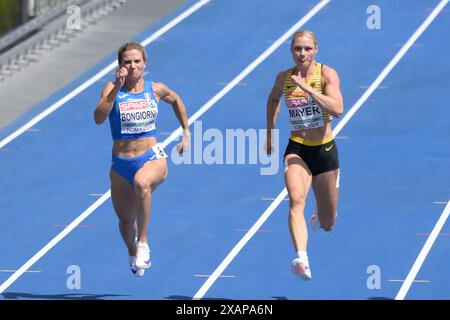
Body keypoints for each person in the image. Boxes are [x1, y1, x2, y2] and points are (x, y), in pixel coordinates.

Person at [94, 42, 190, 277]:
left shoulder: (155, 89)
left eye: (137, 61)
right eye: (127, 62)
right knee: (126, 223)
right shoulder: (111, 88)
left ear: (144, 64)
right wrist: (117, 87)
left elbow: (176, 100)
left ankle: (144, 243)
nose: (133, 66)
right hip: (120, 163)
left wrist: (186, 132)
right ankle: (132, 250)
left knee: (142, 183)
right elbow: (98, 118)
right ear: (120, 66)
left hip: (151, 156)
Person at [265, 30, 343, 280]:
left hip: (324, 150)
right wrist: (269, 132)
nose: (302, 54)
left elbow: (338, 109)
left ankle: (319, 219)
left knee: (328, 221)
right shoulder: (284, 78)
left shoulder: (327, 75)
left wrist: (308, 90)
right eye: (297, 49)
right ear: (291, 50)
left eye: (307, 49)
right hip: (297, 148)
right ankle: (302, 258)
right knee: (296, 199)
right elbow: (273, 99)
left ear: (316, 50)